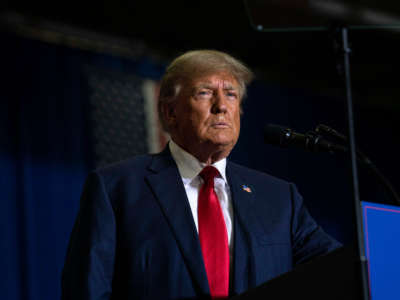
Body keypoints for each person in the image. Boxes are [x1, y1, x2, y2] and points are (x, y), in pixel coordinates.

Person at [61, 50, 341, 300]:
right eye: (205, 93)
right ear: (170, 112)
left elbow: (341, 269)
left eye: (231, 94)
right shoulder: (117, 188)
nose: (222, 106)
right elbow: (87, 290)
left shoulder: (280, 199)